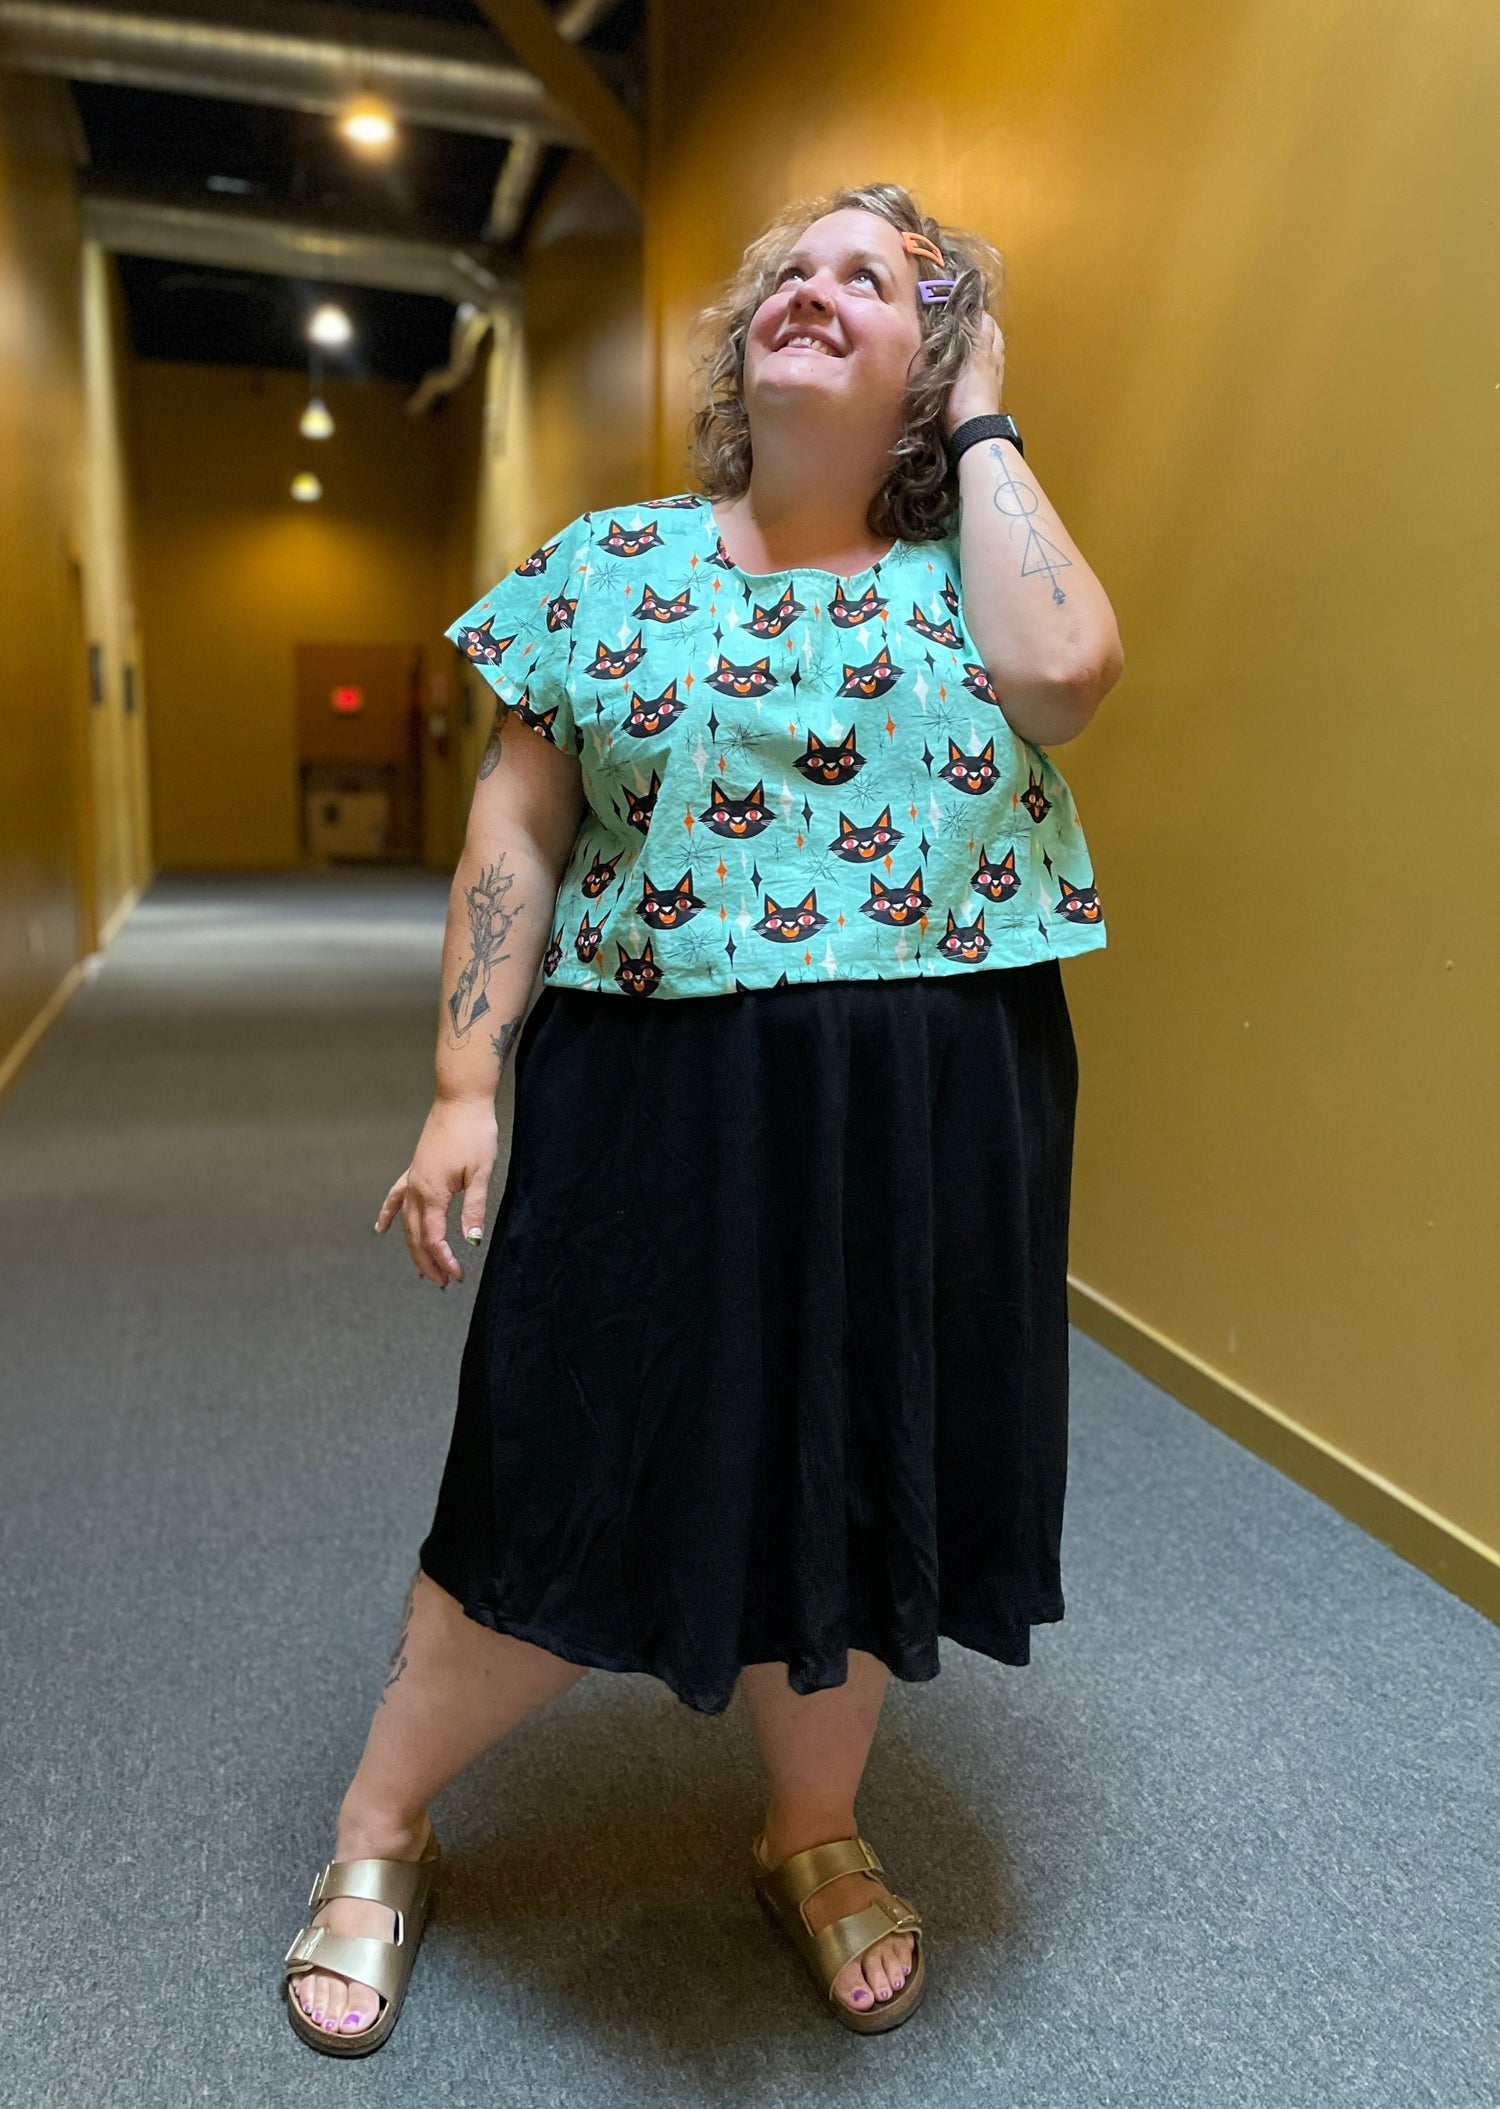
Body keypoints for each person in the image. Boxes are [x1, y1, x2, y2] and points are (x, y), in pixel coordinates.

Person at [281, 178, 1124, 2055]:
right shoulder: (608, 566)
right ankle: (380, 1817)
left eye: (875, 280)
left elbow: (1068, 672)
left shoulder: (973, 570)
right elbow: (519, 822)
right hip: (659, 1087)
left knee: (852, 1465)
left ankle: (812, 1822)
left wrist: (986, 418)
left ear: (932, 367)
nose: (813, 291)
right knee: (563, 1454)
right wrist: (458, 1077)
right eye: (788, 272)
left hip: (931, 1094)